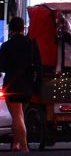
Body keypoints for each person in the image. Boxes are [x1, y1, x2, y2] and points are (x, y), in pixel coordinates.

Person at [0, 16, 42, 152]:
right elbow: (39, 66)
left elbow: (2, 67)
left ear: (11, 29)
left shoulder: (7, 46)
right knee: (20, 115)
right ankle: (15, 144)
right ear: (23, 28)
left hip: (12, 86)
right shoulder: (32, 44)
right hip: (28, 86)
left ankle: (24, 148)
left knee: (17, 116)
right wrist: (37, 86)